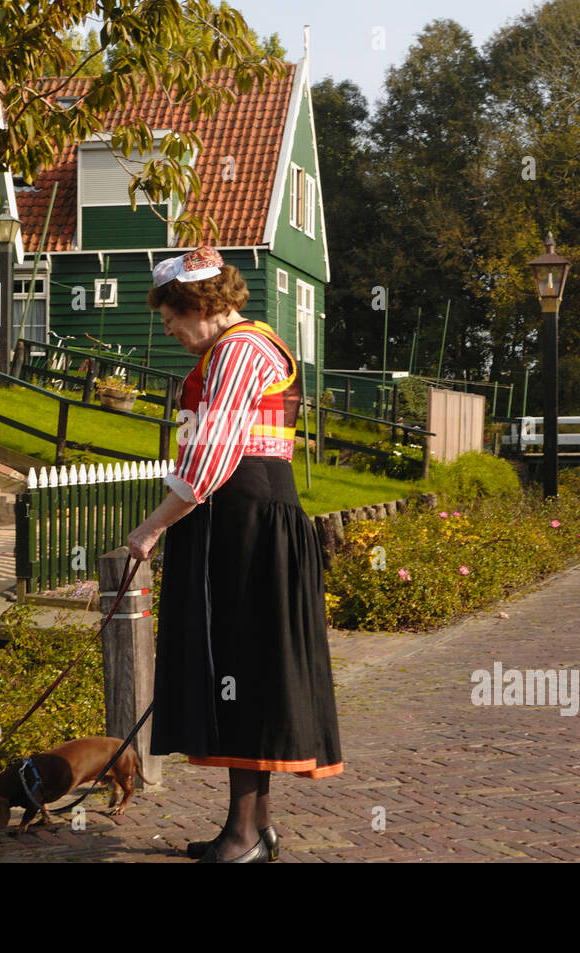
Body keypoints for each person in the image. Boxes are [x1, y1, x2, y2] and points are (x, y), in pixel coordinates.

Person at [126, 246, 343, 864]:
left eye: (169, 315)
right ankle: (253, 829)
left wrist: (151, 529)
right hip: (241, 520)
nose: (166, 328)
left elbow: (212, 456)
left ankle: (245, 835)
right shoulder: (245, 346)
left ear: (199, 304)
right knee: (244, 671)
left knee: (243, 672)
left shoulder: (238, 351)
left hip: (245, 523)